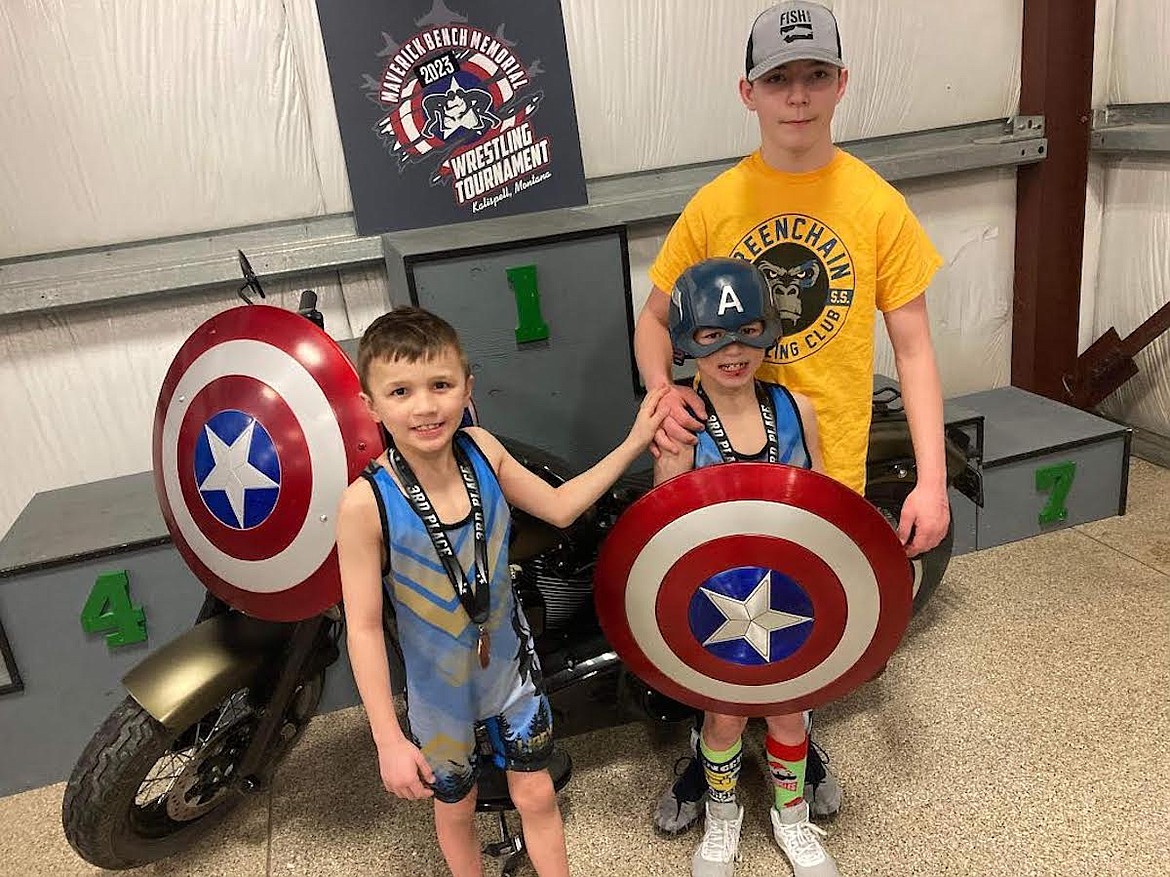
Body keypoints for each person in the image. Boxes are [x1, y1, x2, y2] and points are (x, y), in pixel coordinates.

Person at [633, 0, 951, 839]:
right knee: (718, 620)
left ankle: (797, 754)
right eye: (779, 79)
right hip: (721, 465)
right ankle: (714, 763)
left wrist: (932, 478)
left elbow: (915, 350)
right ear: (749, 92)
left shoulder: (877, 204)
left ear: (842, 83)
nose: (798, 96)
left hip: (824, 461)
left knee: (800, 622)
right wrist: (663, 391)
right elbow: (652, 317)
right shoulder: (717, 202)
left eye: (815, 76)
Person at [336, 307, 668, 877]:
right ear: (370, 405)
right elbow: (363, 627)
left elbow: (561, 507)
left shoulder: (483, 452)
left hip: (511, 676)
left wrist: (636, 440)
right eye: (400, 391)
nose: (425, 406)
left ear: (467, 387)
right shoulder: (364, 505)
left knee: (537, 795)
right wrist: (388, 739)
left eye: (441, 385)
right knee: (457, 808)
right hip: (438, 698)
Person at [655, 257, 839, 876]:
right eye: (712, 337)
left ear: (767, 331)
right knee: (724, 715)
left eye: (745, 332)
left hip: (791, 595)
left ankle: (793, 818)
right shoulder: (681, 426)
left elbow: (827, 510)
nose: (733, 351)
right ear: (687, 344)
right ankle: (722, 817)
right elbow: (664, 536)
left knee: (790, 710)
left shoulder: (797, 409)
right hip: (716, 601)